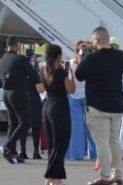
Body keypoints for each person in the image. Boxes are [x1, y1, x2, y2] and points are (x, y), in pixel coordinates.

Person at [75, 27, 123, 185]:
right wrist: (95, 47)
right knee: (114, 141)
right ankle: (117, 175)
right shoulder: (120, 56)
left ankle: (104, 176)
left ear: (96, 40)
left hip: (98, 106)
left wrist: (81, 56)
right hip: (117, 105)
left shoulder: (91, 59)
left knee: (102, 142)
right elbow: (116, 59)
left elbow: (79, 75)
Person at [0, 36, 44, 164]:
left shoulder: (0, 62)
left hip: (6, 93)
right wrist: (38, 82)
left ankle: (11, 151)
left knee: (13, 123)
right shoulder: (20, 59)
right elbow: (33, 73)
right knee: (25, 122)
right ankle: (8, 145)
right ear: (16, 45)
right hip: (18, 93)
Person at [41, 44, 74, 185]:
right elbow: (71, 89)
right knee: (61, 143)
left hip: (48, 106)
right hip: (60, 106)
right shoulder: (60, 72)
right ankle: (52, 176)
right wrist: (70, 73)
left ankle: (55, 176)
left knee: (53, 143)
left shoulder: (43, 70)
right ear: (58, 56)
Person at [67, 41, 97, 162]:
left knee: (91, 125)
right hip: (75, 96)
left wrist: (91, 48)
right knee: (76, 126)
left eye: (87, 50)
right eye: (82, 50)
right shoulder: (70, 64)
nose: (84, 53)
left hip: (86, 95)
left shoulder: (92, 63)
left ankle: (93, 153)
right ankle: (77, 153)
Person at [20, 48, 44, 160]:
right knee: (36, 127)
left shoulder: (20, 72)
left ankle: (23, 151)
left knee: (24, 126)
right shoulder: (34, 72)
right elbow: (40, 89)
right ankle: (35, 151)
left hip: (23, 99)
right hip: (34, 99)